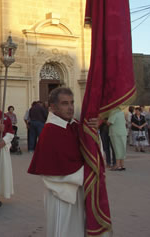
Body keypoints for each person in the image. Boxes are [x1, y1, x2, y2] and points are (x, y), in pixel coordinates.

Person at [27, 87, 102, 237]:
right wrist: (86, 174)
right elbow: (52, 173)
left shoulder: (74, 125)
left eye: (72, 103)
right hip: (60, 194)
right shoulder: (50, 131)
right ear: (53, 107)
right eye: (65, 103)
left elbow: (93, 153)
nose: (70, 107)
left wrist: (93, 132)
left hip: (78, 191)